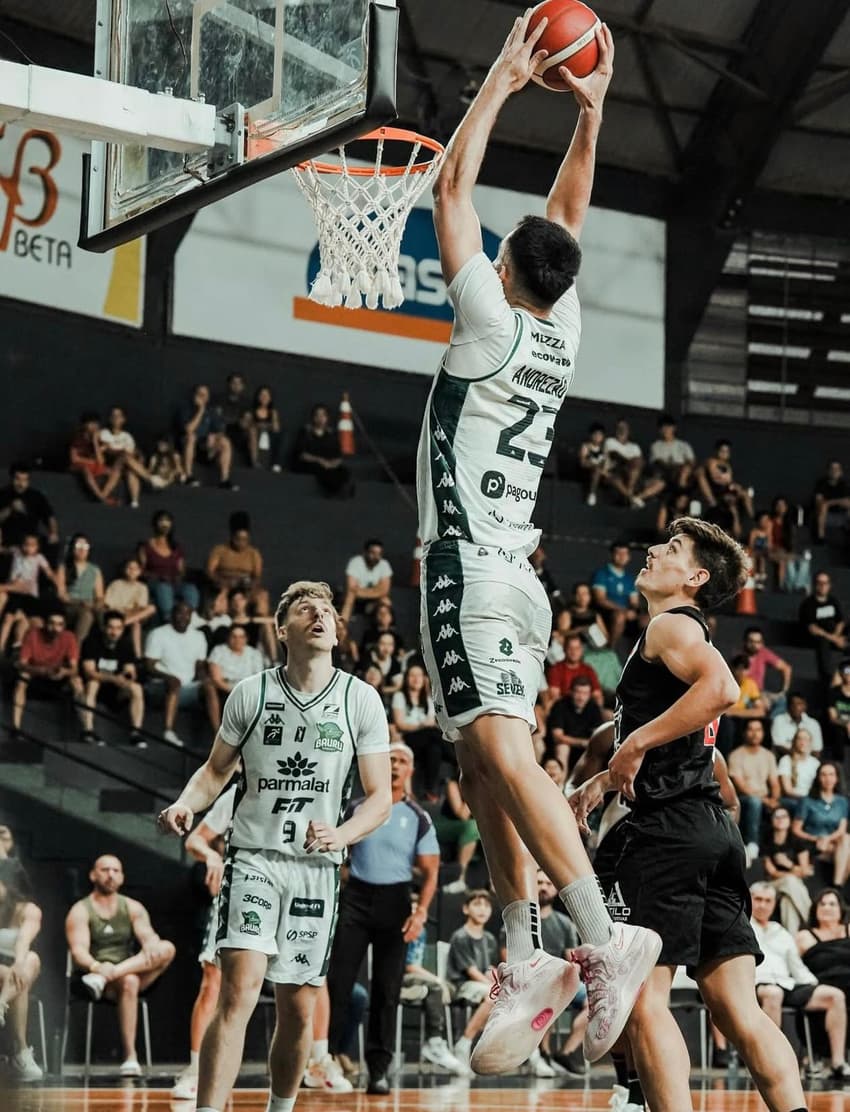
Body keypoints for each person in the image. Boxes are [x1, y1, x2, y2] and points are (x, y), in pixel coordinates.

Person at [415, 12, 659, 1077]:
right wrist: (591, 113)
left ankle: (602, 934)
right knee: (481, 758)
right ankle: (524, 952)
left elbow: (450, 190)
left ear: (505, 269)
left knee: (503, 754)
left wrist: (505, 79)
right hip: (515, 576)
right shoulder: (561, 328)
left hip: (471, 567)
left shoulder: (489, 318)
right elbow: (566, 216)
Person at [569, 517, 810, 1112]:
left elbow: (724, 689)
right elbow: (688, 747)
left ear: (695, 578)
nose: (654, 550)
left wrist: (632, 744)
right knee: (739, 1008)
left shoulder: (670, 625)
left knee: (644, 1000)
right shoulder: (678, 634)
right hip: (711, 829)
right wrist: (605, 777)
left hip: (667, 834)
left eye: (672, 548)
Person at [157, 579, 392, 1112]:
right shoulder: (251, 692)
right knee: (237, 991)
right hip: (254, 858)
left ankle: (280, 1107)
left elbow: (381, 798)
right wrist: (186, 804)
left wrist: (343, 834)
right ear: (282, 630)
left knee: (299, 1008)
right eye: (306, 609)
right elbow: (215, 770)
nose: (320, 616)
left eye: (327, 610)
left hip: (316, 869)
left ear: (337, 632)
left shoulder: (360, 699)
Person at [326, 742, 439, 1093]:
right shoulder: (357, 808)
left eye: (402, 760)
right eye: (390, 759)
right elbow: (337, 852)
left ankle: (378, 1070)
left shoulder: (418, 817)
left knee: (387, 990)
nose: (395, 765)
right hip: (357, 898)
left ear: (411, 770)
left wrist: (421, 913)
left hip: (396, 902)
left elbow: (431, 872)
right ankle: (325, 1060)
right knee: (338, 983)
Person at [65, 854, 176, 1077]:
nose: (111, 875)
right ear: (93, 875)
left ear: (122, 877)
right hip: (92, 978)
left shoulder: (133, 907)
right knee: (130, 981)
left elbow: (148, 937)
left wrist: (151, 942)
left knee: (167, 948)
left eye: (116, 871)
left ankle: (111, 975)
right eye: (105, 870)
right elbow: (78, 952)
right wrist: (97, 968)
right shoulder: (80, 910)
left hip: (125, 973)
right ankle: (130, 1056)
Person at [171, 782, 237, 1102]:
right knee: (212, 980)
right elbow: (195, 839)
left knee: (305, 983)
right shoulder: (236, 793)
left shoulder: (310, 786)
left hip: (287, 891)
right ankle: (197, 1070)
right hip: (236, 893)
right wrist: (212, 856)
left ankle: (317, 1060)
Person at [749, 882, 850, 1082]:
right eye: (758, 899)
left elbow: (797, 967)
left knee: (834, 995)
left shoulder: (781, 932)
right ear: (749, 900)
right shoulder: (743, 927)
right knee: (773, 993)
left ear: (774, 904)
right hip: (757, 983)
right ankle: (770, 1062)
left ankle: (838, 1062)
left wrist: (814, 984)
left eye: (768, 901)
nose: (762, 905)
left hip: (787, 983)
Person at [400, 891, 466, 1074]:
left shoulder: (422, 931)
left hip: (415, 977)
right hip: (399, 977)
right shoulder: (403, 928)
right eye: (411, 909)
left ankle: (439, 1041)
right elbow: (410, 966)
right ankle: (434, 1043)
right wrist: (436, 979)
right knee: (436, 986)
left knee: (446, 988)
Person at [206, 514, 275, 661]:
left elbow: (257, 576)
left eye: (245, 539)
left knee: (262, 595)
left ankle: (258, 621)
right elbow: (210, 572)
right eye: (238, 539)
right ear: (232, 537)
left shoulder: (253, 553)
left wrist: (249, 586)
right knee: (220, 597)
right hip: (225, 585)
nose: (241, 543)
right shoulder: (220, 550)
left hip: (245, 588)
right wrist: (223, 582)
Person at [446, 890, 500, 1069]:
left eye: (486, 905)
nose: (482, 909)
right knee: (494, 995)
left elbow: (487, 968)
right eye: (477, 904)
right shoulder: (460, 936)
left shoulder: (489, 939)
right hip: (462, 985)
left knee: (505, 996)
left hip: (482, 984)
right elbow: (471, 971)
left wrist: (494, 976)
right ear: (466, 909)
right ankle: (464, 1042)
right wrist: (493, 985)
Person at [144, 601, 210, 745]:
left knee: (210, 687)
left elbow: (200, 666)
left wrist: (205, 679)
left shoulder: (199, 636)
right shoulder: (158, 634)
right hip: (161, 686)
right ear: (172, 615)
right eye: (180, 612)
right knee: (175, 682)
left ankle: (219, 736)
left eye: (187, 613)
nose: (183, 617)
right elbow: (149, 666)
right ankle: (168, 731)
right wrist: (168, 677)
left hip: (188, 687)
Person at [12, 608, 83, 738]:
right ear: (45, 624)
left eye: (59, 624)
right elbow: (21, 664)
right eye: (52, 623)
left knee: (77, 681)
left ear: (64, 626)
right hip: (36, 674)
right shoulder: (33, 634)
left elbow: (75, 668)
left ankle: (86, 730)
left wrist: (64, 672)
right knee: (22, 678)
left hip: (57, 676)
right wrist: (41, 670)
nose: (55, 628)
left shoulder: (69, 637)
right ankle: (15, 727)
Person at [0, 875, 43, 1081]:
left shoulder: (29, 910)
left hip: (15, 967)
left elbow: (24, 939)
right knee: (17, 980)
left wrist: (18, 962)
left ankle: (1, 1003)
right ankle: (21, 1052)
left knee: (31, 960)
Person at [81, 610, 146, 745]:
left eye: (118, 628)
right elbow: (89, 672)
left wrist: (127, 676)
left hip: (116, 690)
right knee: (93, 683)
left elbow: (130, 671)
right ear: (104, 627)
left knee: (136, 688)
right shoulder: (92, 642)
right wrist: (113, 678)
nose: (114, 632)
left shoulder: (125, 644)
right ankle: (88, 731)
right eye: (111, 627)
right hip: (96, 688)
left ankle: (136, 733)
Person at [728, 718, 780, 861]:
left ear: (763, 733)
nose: (755, 733)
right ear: (744, 733)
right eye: (750, 729)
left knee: (789, 805)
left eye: (758, 730)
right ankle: (752, 844)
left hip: (765, 798)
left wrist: (774, 799)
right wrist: (765, 800)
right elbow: (741, 786)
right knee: (754, 802)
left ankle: (780, 850)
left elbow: (775, 783)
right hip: (743, 799)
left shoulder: (768, 755)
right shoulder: (736, 755)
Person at [791, 761, 850, 888]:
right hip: (813, 844)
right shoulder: (807, 801)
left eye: (831, 774)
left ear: (837, 778)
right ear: (818, 778)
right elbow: (796, 829)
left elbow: (842, 829)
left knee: (846, 838)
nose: (828, 779)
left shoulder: (842, 801)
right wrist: (816, 838)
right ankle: (838, 888)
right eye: (824, 775)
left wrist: (827, 839)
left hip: (834, 844)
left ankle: (837, 885)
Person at [390, 664, 443, 800]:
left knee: (435, 749)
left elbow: (431, 722)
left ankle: (430, 791)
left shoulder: (428, 700)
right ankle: (455, 760)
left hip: (426, 741)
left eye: (419, 675)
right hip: (408, 737)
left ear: (424, 679)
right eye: (412, 675)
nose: (416, 679)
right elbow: (400, 723)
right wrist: (421, 725)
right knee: (433, 734)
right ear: (406, 678)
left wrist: (427, 725)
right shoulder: (399, 696)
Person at [0, 532, 59, 655]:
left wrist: (58, 584)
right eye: (26, 544)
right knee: (8, 618)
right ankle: (1, 647)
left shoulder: (39, 558)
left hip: (30, 594)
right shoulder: (16, 551)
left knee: (35, 622)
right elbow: (4, 550)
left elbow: (49, 573)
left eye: (32, 545)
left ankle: (31, 649)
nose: (28, 548)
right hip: (14, 592)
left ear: (37, 547)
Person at [138, 509, 201, 621]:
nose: (165, 524)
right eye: (161, 521)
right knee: (164, 588)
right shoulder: (146, 546)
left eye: (167, 521)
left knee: (190, 589)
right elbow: (140, 570)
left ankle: (191, 617)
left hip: (174, 582)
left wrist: (178, 577)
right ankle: (169, 618)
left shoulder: (176, 547)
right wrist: (158, 577)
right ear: (155, 524)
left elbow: (181, 570)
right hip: (155, 582)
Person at [760, 807, 813, 934]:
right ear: (772, 821)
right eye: (777, 817)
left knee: (787, 902)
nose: (780, 819)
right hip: (773, 886)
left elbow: (805, 871)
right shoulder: (766, 842)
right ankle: (812, 921)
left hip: (793, 888)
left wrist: (788, 864)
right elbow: (772, 872)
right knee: (790, 880)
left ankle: (791, 940)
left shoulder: (798, 841)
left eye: (784, 816)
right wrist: (793, 873)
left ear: (789, 820)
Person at [796, 888, 850, 1012]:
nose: (826, 908)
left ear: (841, 909)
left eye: (832, 904)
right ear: (815, 909)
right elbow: (794, 967)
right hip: (824, 986)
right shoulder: (804, 936)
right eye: (822, 904)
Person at [99, 405, 163, 508]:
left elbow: (133, 452)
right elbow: (108, 451)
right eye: (113, 416)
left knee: (131, 469)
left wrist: (135, 457)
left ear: (123, 419)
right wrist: (122, 452)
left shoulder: (127, 436)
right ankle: (150, 479)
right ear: (110, 419)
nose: (116, 418)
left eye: (119, 416)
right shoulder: (104, 433)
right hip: (111, 463)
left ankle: (134, 502)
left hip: (126, 464)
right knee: (124, 456)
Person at [177, 384, 237, 490]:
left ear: (208, 397)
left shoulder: (211, 411)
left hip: (206, 445)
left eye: (205, 395)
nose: (202, 397)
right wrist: (201, 410)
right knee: (191, 437)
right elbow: (189, 429)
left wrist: (214, 436)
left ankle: (224, 480)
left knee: (225, 442)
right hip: (189, 443)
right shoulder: (185, 408)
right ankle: (188, 476)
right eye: (200, 394)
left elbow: (220, 430)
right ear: (194, 395)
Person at [205, 625, 264, 732]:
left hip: (247, 688)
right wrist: (234, 690)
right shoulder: (219, 651)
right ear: (228, 638)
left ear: (246, 639)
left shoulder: (254, 653)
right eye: (234, 636)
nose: (237, 640)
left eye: (241, 637)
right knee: (209, 684)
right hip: (224, 687)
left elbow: (258, 679)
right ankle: (217, 732)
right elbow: (216, 678)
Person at [434, 765, 480, 894]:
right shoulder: (452, 784)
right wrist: (475, 791)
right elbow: (462, 814)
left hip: (470, 829)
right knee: (473, 827)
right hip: (446, 825)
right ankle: (460, 877)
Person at [0, 463, 59, 563]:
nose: (21, 483)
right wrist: (10, 508)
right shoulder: (2, 495)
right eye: (18, 479)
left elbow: (50, 517)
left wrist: (53, 533)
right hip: (8, 539)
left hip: (31, 540)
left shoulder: (36, 496)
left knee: (52, 545)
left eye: (25, 480)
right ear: (11, 479)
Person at [291, 404, 352, 497]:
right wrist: (320, 461)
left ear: (327, 418)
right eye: (317, 415)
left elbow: (338, 455)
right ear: (313, 417)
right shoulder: (306, 432)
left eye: (323, 415)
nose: (320, 418)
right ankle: (334, 491)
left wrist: (333, 464)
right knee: (322, 470)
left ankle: (342, 489)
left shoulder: (331, 434)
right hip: (311, 463)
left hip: (328, 463)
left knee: (343, 470)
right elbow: (302, 454)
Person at [546, 675, 603, 773]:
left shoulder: (593, 708)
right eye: (578, 692)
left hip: (584, 750)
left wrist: (589, 744)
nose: (581, 697)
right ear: (571, 692)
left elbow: (598, 736)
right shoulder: (560, 706)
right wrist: (582, 743)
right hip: (560, 749)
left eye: (585, 693)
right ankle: (562, 782)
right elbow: (558, 737)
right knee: (563, 747)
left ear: (590, 694)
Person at [635, 414, 695, 508]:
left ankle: (681, 494)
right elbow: (658, 462)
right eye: (663, 427)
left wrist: (680, 468)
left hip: (681, 474)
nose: (666, 430)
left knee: (685, 470)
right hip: (664, 474)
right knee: (661, 480)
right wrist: (671, 468)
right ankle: (637, 498)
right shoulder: (656, 445)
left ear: (674, 428)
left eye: (668, 427)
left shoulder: (683, 445)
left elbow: (691, 462)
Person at [56, 533, 104, 645]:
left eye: (85, 546)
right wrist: (80, 602)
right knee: (86, 615)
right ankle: (75, 648)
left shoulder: (95, 570)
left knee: (103, 614)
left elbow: (100, 596)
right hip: (71, 606)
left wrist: (96, 605)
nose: (82, 550)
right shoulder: (63, 568)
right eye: (78, 546)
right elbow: (61, 594)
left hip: (90, 605)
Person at [104, 557, 157, 659]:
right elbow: (110, 605)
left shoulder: (142, 587)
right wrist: (126, 610)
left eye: (135, 569)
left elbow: (141, 608)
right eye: (129, 568)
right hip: (116, 614)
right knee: (135, 623)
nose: (132, 571)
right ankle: (137, 654)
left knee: (151, 608)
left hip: (132, 616)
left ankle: (137, 655)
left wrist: (130, 611)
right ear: (124, 570)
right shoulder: (116, 584)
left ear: (140, 572)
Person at [798, 571, 847, 682]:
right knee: (822, 641)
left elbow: (840, 621)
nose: (823, 586)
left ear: (829, 585)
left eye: (825, 583)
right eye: (820, 583)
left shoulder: (833, 601)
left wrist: (836, 635)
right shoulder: (808, 604)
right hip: (817, 637)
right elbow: (813, 629)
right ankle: (826, 677)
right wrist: (834, 639)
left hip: (833, 634)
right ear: (815, 585)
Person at [591, 542, 640, 647]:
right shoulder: (602, 573)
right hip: (607, 613)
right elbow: (600, 599)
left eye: (625, 553)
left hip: (626, 612)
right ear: (611, 555)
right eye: (618, 553)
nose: (622, 556)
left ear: (629, 557)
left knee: (648, 619)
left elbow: (634, 602)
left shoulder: (630, 578)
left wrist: (632, 610)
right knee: (620, 616)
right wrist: (624, 610)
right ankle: (610, 648)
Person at [69, 413, 123, 505]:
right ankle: (102, 498)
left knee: (116, 472)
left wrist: (95, 441)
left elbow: (101, 461)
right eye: (91, 423)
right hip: (80, 466)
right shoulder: (78, 438)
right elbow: (74, 459)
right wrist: (90, 461)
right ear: (84, 425)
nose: (94, 426)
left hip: (94, 465)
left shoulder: (99, 440)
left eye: (96, 424)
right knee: (85, 470)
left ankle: (103, 495)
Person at [741, 626, 792, 715]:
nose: (754, 645)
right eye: (751, 641)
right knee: (756, 705)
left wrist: (784, 690)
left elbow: (786, 668)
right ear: (745, 641)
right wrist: (758, 698)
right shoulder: (738, 655)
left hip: (760, 692)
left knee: (781, 700)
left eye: (758, 642)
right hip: (744, 693)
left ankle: (772, 722)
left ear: (762, 643)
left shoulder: (763, 652)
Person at [340, 539, 393, 624]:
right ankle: (342, 625)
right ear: (365, 552)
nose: (376, 557)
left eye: (379, 554)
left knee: (386, 601)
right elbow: (352, 589)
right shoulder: (355, 562)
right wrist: (376, 590)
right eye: (373, 553)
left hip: (372, 602)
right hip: (356, 601)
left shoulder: (384, 565)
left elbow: (384, 591)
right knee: (350, 596)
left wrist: (361, 591)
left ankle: (385, 629)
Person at [777, 729, 821, 814]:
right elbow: (788, 790)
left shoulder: (815, 763)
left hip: (811, 799)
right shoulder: (786, 760)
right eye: (799, 739)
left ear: (810, 743)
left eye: (805, 739)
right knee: (804, 805)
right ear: (794, 742)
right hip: (793, 799)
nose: (802, 742)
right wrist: (806, 799)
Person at [602, 418, 644, 507]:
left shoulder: (635, 447)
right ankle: (631, 498)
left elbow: (639, 464)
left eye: (624, 428)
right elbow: (614, 457)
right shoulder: (610, 441)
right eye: (619, 427)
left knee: (637, 462)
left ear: (628, 430)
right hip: (614, 472)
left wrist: (632, 463)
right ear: (615, 430)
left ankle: (629, 492)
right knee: (615, 476)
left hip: (631, 475)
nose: (621, 430)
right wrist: (630, 462)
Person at [772, 691, 824, 757]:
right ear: (788, 706)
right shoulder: (779, 720)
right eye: (793, 704)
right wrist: (796, 757)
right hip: (786, 757)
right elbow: (778, 745)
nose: (796, 707)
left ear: (805, 706)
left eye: (800, 704)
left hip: (808, 760)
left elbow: (817, 750)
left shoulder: (814, 724)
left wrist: (803, 758)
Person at [245, 386, 283, 472]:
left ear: (270, 398)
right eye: (262, 395)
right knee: (252, 431)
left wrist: (262, 425)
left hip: (268, 435)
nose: (264, 397)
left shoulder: (273, 412)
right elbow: (248, 425)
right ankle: (255, 461)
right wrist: (263, 425)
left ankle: (276, 463)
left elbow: (276, 428)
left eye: (266, 395)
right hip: (254, 435)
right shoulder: (251, 411)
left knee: (280, 435)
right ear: (258, 397)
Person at [813, 460, 850, 544]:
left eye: (837, 469)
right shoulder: (821, 484)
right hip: (826, 516)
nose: (834, 471)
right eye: (832, 468)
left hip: (841, 515)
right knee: (823, 507)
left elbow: (848, 502)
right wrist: (837, 502)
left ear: (841, 472)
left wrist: (829, 502)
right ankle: (821, 537)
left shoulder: (844, 484)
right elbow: (819, 502)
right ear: (828, 471)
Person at [577, 422, 607, 506]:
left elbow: (605, 463)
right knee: (597, 470)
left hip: (601, 474)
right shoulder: (586, 446)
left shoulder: (604, 449)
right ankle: (592, 494)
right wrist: (593, 465)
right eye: (595, 434)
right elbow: (582, 463)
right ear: (591, 435)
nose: (597, 437)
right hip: (587, 472)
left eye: (600, 435)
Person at [827, 659, 850, 761]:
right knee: (838, 732)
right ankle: (838, 762)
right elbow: (833, 718)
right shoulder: (834, 693)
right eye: (847, 671)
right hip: (840, 726)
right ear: (841, 674)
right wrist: (846, 723)